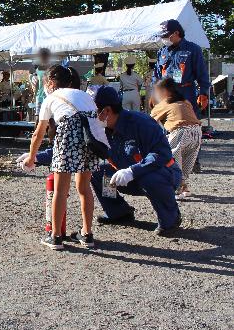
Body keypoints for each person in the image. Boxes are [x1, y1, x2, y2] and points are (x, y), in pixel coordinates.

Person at [22, 65, 103, 250]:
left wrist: (31, 157)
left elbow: (38, 133)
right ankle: (87, 234)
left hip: (67, 137)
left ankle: (56, 236)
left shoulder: (51, 98)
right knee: (84, 188)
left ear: (50, 83)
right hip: (89, 139)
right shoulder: (84, 95)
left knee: (60, 190)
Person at [91, 86, 182, 236]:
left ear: (106, 111)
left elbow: (162, 154)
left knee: (149, 178)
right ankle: (118, 212)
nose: (92, 116)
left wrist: (133, 171)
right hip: (130, 178)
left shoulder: (141, 122)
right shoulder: (101, 130)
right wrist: (37, 156)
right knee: (98, 172)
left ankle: (170, 218)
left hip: (163, 173)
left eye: (94, 112)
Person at [151, 77, 202, 199]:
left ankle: (178, 186)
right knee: (185, 162)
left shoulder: (165, 103)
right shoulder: (185, 101)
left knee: (171, 159)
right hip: (196, 132)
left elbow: (149, 120)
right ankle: (184, 186)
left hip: (180, 132)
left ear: (164, 91)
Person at [153, 19, 210, 115]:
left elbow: (202, 74)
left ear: (176, 33)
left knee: (186, 124)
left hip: (185, 94)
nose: (163, 39)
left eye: (166, 36)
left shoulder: (193, 49)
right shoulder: (162, 52)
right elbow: (156, 75)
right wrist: (154, 93)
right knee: (166, 125)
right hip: (165, 96)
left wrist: (203, 93)